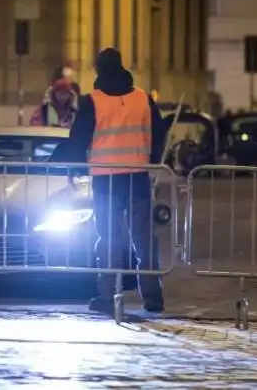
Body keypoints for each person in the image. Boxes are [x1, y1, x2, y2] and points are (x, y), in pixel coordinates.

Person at [68, 48, 167, 315]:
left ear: (99, 69)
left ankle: (107, 294)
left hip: (106, 179)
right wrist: (153, 158)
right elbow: (158, 133)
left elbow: (78, 138)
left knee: (109, 237)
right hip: (137, 176)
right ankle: (153, 295)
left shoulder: (94, 101)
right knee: (144, 238)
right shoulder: (142, 98)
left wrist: (73, 167)